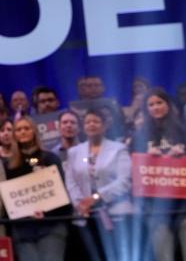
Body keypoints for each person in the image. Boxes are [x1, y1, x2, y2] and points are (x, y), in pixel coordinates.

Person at [132, 88, 186, 261]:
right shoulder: (139, 137)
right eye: (151, 104)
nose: (156, 107)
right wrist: (148, 159)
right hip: (156, 210)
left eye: (159, 103)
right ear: (146, 109)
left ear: (168, 105)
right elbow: (132, 169)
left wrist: (183, 162)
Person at [64, 109, 134, 261]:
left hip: (116, 215)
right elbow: (70, 182)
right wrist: (80, 203)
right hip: (85, 217)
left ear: (105, 126)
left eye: (96, 121)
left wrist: (97, 197)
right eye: (88, 122)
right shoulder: (74, 152)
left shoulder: (119, 149)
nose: (91, 125)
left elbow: (125, 181)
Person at [5, 117, 71, 261]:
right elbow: (8, 198)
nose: (23, 132)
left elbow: (60, 192)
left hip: (51, 225)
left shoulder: (50, 158)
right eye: (19, 129)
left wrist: (47, 212)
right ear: (14, 134)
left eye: (26, 128)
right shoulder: (9, 165)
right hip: (23, 229)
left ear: (34, 131)